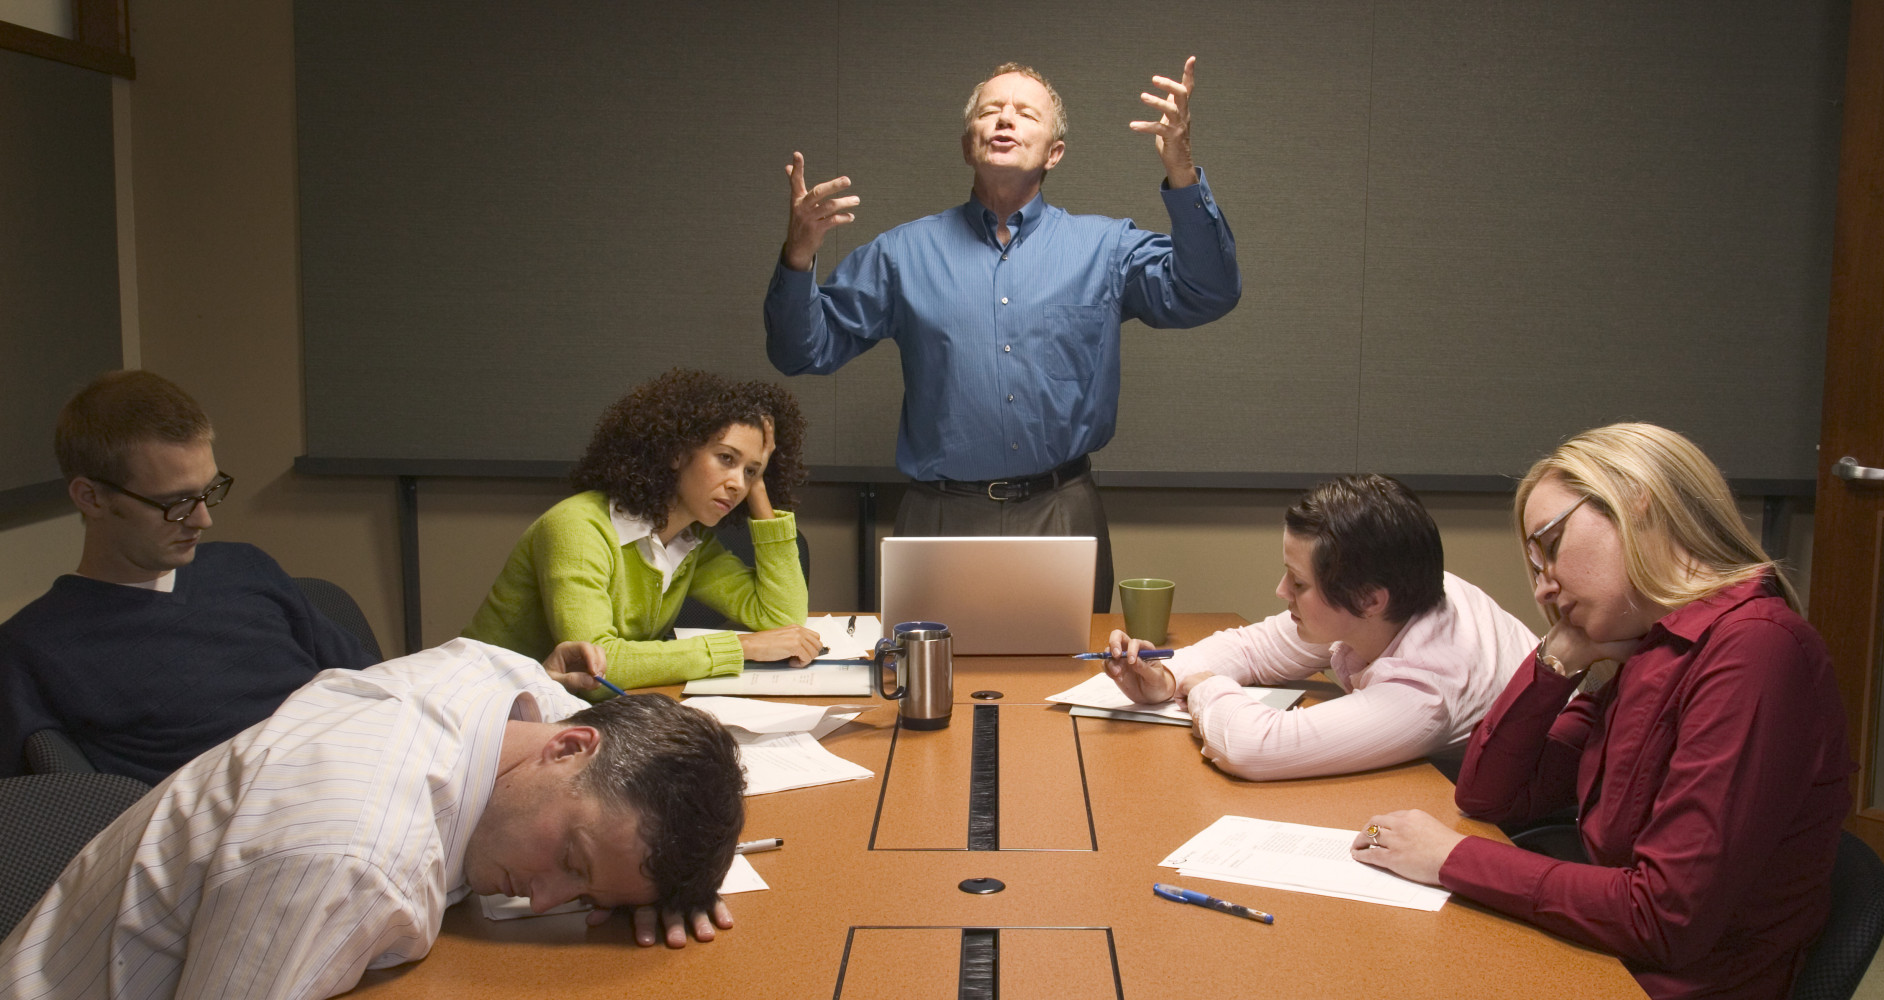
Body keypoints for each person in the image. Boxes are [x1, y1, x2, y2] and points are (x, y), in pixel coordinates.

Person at [1349, 423, 1852, 1000]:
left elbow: (1662, 919)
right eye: (1535, 566)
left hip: (1659, 983)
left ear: (1636, 503)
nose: (1543, 588)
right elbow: (1489, 795)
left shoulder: (1754, 647)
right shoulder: (1647, 643)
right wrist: (1559, 658)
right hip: (1599, 958)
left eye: (1551, 547)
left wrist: (1450, 857)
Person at [0, 637, 746, 999]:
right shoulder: (350, 858)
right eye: (573, 862)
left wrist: (658, 881)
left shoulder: (501, 682)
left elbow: (585, 719)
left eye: (584, 899)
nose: (542, 900)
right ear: (568, 750)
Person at [765, 58, 1242, 611]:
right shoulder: (902, 255)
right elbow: (800, 351)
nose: (1004, 121)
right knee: (929, 690)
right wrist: (799, 255)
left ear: (1054, 153)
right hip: (938, 515)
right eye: (990, 111)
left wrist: (1182, 172)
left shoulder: (1105, 249)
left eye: (1024, 113)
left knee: (1061, 688)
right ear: (969, 145)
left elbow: (1208, 292)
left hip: (1061, 509)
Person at [0, 370, 377, 783]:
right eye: (176, 502)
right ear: (90, 497)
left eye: (208, 491)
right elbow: (35, 819)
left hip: (358, 765)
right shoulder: (32, 648)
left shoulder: (245, 567)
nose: (204, 519)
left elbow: (371, 685)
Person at [1099, 474, 1535, 779]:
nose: (1280, 589)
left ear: (1369, 599)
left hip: (1517, 824)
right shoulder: (1398, 593)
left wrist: (1204, 687)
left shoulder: (1427, 691)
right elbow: (1255, 648)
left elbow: (1254, 749)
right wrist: (1165, 677)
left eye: (1300, 582)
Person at [464, 369, 820, 688]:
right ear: (676, 452)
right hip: (483, 710)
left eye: (749, 471)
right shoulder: (577, 528)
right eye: (726, 458)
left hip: (563, 716)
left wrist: (759, 485)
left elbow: (782, 619)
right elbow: (598, 666)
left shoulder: (690, 542)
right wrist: (742, 647)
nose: (737, 484)